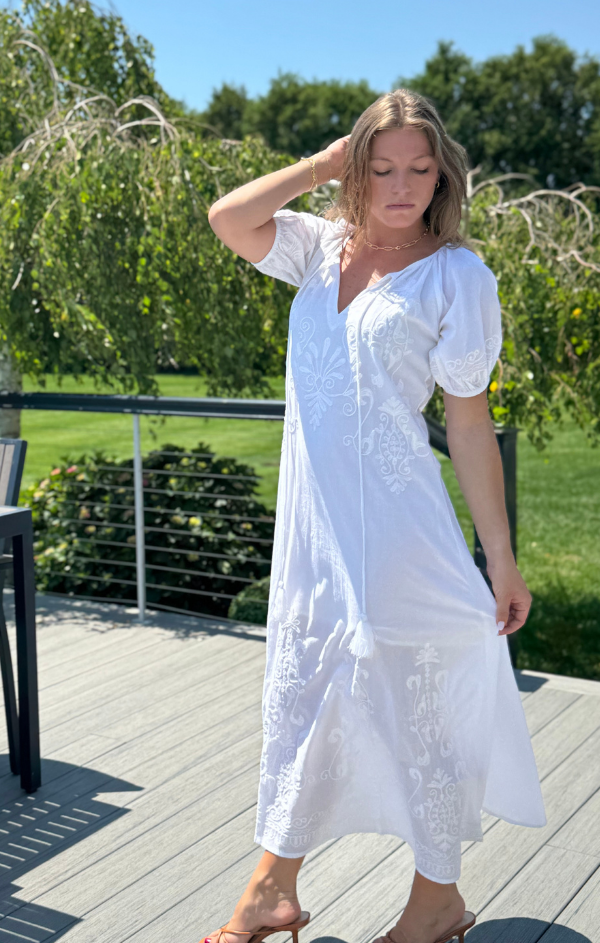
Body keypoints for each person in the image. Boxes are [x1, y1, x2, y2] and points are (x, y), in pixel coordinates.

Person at [204, 88, 546, 943]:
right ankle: (270, 887)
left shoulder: (458, 276)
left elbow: (468, 423)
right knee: (307, 692)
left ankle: (436, 900)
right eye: (381, 168)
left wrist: (500, 558)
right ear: (356, 170)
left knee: (420, 697)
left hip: (402, 534)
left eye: (418, 170)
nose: (400, 187)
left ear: (442, 177)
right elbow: (228, 218)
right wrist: (323, 165)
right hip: (316, 533)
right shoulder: (318, 248)